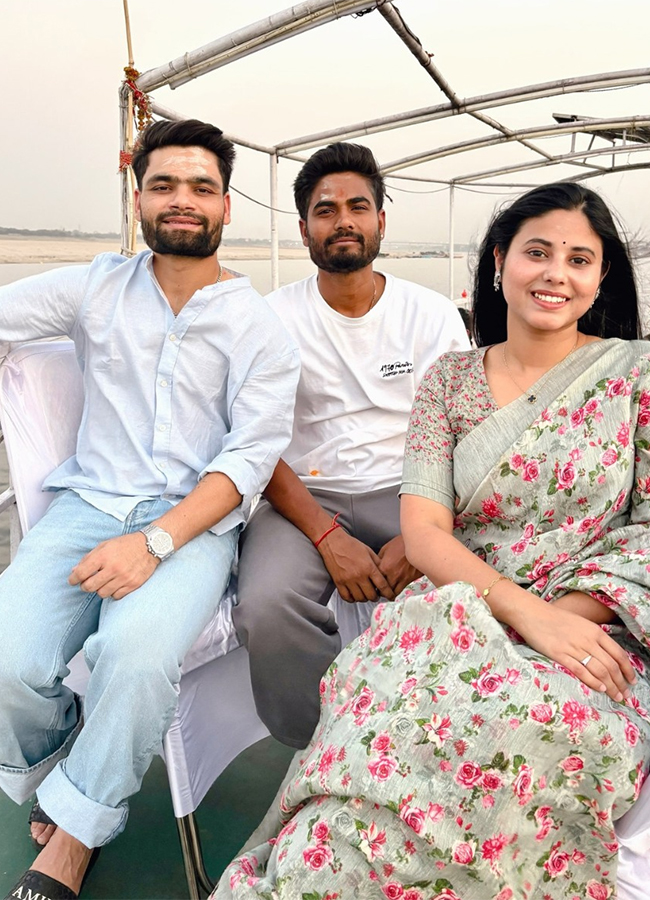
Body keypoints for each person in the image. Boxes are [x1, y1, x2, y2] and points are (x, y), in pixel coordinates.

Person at [213, 182, 650, 899]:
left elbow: (647, 528)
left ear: (601, 277)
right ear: (501, 261)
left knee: (526, 731)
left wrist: (559, 621)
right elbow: (423, 532)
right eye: (538, 253)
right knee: (371, 752)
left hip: (592, 623)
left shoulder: (634, 375)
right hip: (457, 609)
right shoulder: (449, 382)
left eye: (579, 259)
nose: (556, 274)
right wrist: (521, 615)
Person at [0, 118, 300, 900]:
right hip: (86, 504)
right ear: (139, 199)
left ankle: (76, 837)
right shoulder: (95, 286)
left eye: (201, 186)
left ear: (226, 206)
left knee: (133, 660)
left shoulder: (261, 329)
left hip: (193, 525)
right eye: (164, 184)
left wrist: (155, 543)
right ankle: (68, 764)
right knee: (9, 659)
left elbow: (246, 463)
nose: (182, 200)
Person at [233, 141, 469, 749]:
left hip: (413, 489)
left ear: (381, 221)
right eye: (326, 209)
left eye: (358, 207)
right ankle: (325, 752)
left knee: (470, 589)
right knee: (266, 607)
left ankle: (439, 740)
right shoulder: (270, 318)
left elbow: (460, 430)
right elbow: (257, 444)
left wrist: (422, 533)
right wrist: (326, 537)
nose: (343, 221)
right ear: (304, 229)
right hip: (303, 497)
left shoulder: (431, 314)